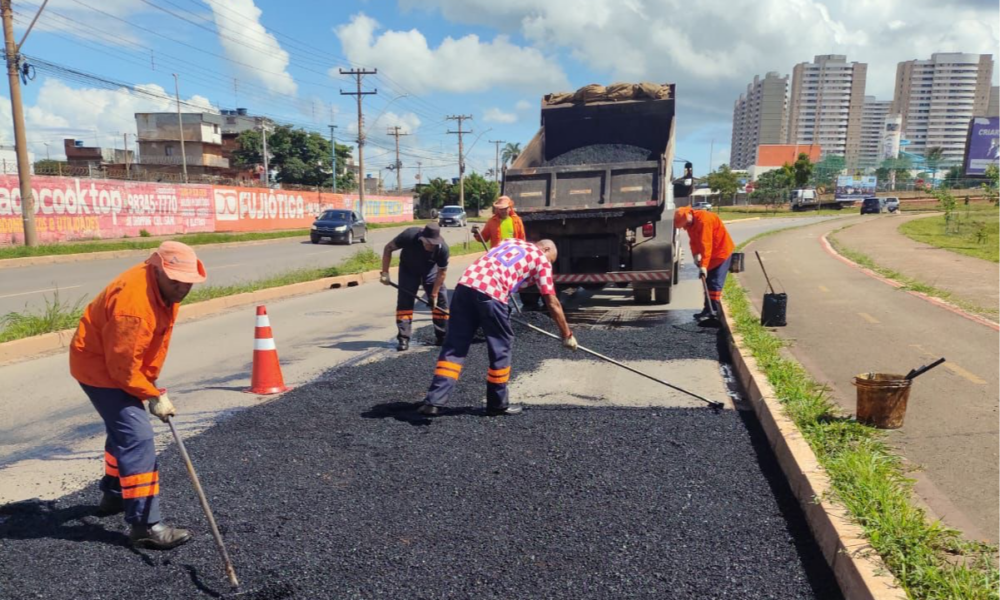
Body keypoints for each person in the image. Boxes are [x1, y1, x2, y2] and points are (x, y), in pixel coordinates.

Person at [69, 241, 207, 550]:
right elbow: (121, 368)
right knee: (138, 436)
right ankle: (146, 525)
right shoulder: (134, 308)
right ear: (156, 269)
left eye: (188, 281)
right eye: (176, 280)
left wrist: (148, 382)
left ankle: (115, 494)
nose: (183, 287)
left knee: (123, 429)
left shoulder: (162, 286)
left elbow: (138, 353)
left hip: (115, 363)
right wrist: (152, 394)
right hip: (100, 368)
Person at [417, 238, 577, 417]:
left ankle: (434, 401)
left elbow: (506, 269)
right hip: (491, 293)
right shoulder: (541, 259)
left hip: (464, 287)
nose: (549, 263)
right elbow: (552, 301)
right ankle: (497, 404)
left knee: (454, 346)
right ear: (546, 249)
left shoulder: (510, 242)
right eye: (551, 260)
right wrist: (567, 334)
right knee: (501, 346)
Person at [380, 223, 450, 351]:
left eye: (433, 244)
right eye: (428, 243)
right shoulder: (409, 235)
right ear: (421, 238)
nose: (431, 246)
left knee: (440, 299)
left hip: (430, 270)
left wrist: (433, 295)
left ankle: (442, 336)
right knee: (405, 301)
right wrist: (385, 272)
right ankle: (403, 338)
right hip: (408, 269)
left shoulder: (442, 248)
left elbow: (442, 272)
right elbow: (388, 248)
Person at [674, 205, 734, 326]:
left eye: (685, 223)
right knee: (707, 282)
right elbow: (694, 242)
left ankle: (715, 313)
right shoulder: (691, 224)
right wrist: (696, 255)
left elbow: (706, 245)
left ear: (689, 215)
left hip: (720, 253)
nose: (685, 227)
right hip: (710, 256)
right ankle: (707, 310)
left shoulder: (704, 220)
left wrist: (704, 266)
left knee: (715, 283)